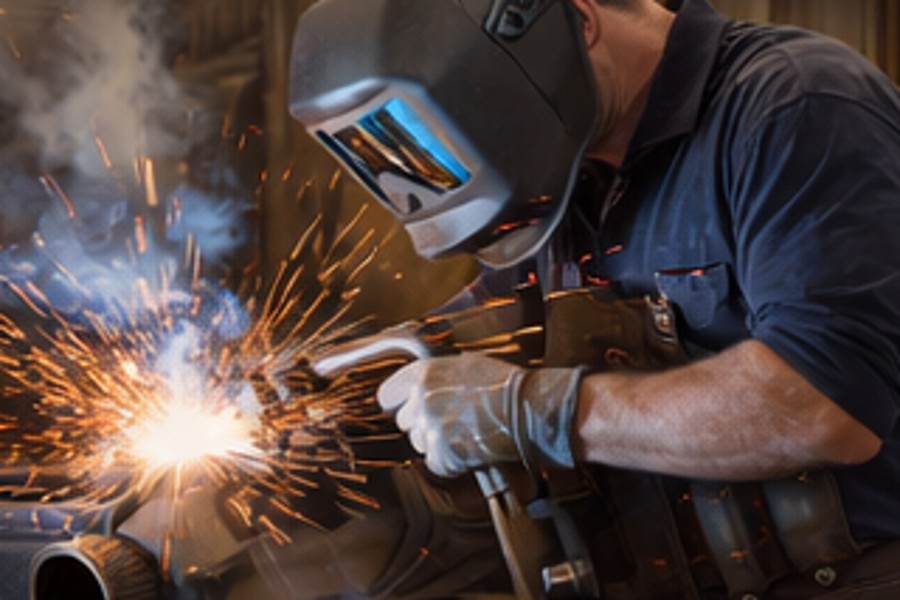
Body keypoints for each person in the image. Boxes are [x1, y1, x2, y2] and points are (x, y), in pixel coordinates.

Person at [289, 0, 900, 597]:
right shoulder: (569, 167)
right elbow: (505, 315)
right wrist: (337, 386)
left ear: (575, 23)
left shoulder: (794, 107)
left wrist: (535, 411)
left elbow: (825, 407)